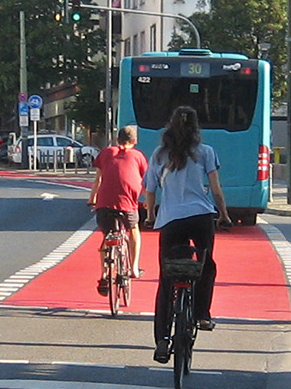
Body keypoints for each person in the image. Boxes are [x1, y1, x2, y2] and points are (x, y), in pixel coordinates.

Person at [143, 105, 226, 361]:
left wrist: (150, 216)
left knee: (167, 279)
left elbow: (150, 190)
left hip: (170, 221)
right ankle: (202, 314)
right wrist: (223, 214)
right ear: (196, 128)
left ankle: (161, 339)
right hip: (200, 217)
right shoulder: (205, 152)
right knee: (206, 265)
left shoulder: (159, 154)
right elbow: (215, 190)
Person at [90, 124, 148, 290]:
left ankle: (103, 275)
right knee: (134, 229)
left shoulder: (106, 152)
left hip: (105, 204)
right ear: (134, 141)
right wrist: (146, 200)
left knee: (107, 238)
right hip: (128, 205)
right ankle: (134, 268)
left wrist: (92, 198)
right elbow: (144, 181)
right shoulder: (138, 156)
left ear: (117, 139)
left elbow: (98, 180)